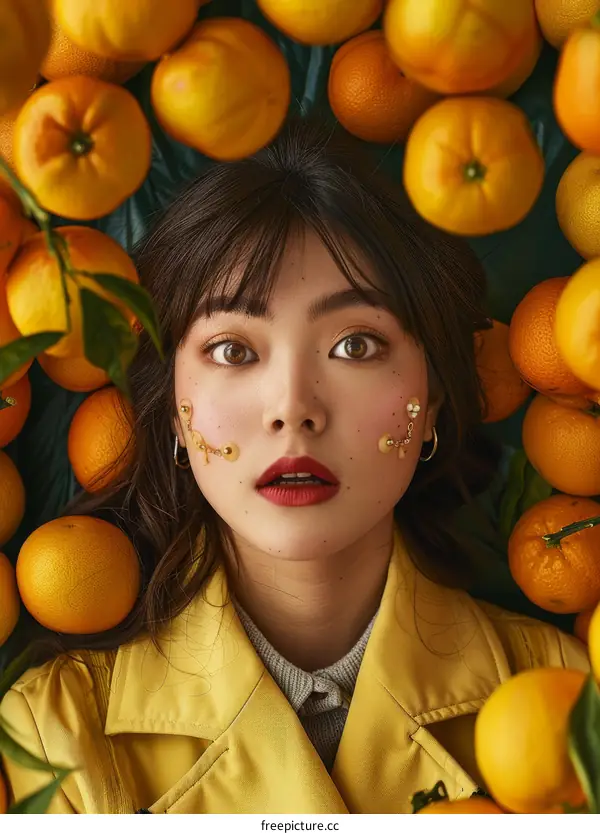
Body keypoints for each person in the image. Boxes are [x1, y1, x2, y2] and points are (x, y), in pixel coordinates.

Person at [0, 118, 588, 814]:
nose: (293, 409)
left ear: (429, 403)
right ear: (172, 414)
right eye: (232, 351)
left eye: (356, 345)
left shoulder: (570, 698)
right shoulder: (54, 737)